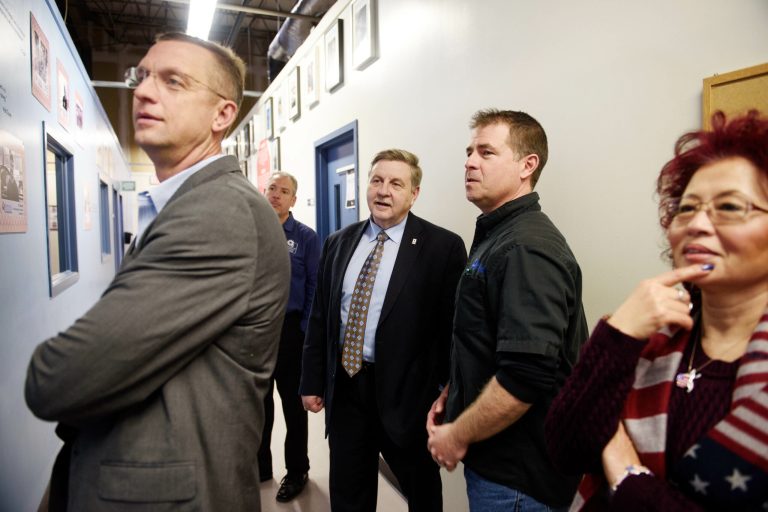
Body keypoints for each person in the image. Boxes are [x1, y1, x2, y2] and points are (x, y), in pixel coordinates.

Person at [25, 32, 289, 511]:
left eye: (173, 81)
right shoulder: (186, 204)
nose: (143, 91)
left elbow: (57, 378)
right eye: (141, 76)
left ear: (222, 115)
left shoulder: (218, 213)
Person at [545, 110, 768, 511]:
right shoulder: (655, 339)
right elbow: (566, 450)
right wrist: (618, 334)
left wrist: (627, 474)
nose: (697, 224)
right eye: (686, 208)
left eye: (730, 206)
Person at [427, 109, 588, 511]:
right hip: (500, 469)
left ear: (527, 165)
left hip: (517, 480)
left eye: (486, 152)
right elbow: (488, 338)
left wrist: (456, 435)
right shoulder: (498, 236)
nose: (470, 162)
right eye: (469, 152)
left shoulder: (525, 248)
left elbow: (525, 376)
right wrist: (454, 392)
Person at [300, 148, 467, 512]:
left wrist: (445, 393)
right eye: (376, 180)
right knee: (348, 493)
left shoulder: (442, 247)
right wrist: (312, 381)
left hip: (409, 397)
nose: (383, 191)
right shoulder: (338, 242)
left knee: (422, 494)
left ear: (414, 193)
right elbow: (321, 318)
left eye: (396, 183)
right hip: (347, 389)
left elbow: (452, 329)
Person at [258, 171, 320, 502]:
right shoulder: (250, 231)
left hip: (291, 332)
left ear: (293, 200)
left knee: (294, 408)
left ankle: (297, 471)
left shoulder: (306, 238)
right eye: (272, 188)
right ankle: (259, 467)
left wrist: (305, 331)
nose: (276, 194)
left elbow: (314, 286)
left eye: (284, 191)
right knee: (258, 404)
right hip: (256, 332)